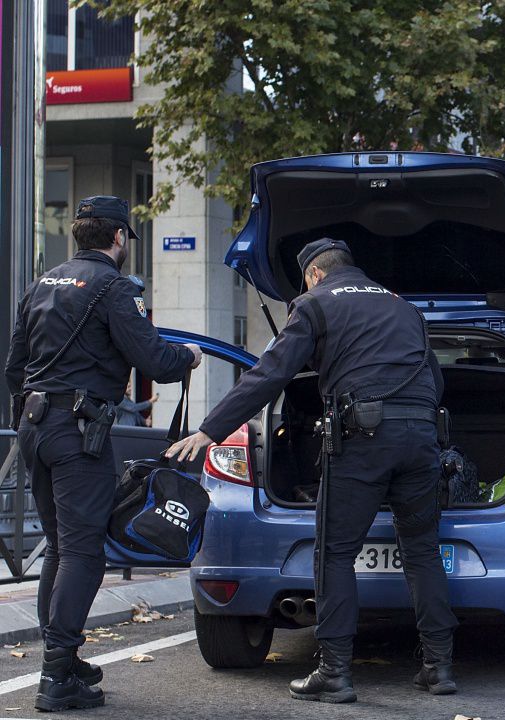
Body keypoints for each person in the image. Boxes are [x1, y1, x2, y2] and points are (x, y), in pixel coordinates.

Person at [166, 239, 458, 703]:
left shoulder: (314, 304)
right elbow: (436, 382)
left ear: (315, 274)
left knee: (335, 554)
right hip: (422, 438)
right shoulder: (403, 307)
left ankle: (335, 673)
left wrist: (209, 431)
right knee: (422, 551)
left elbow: (269, 374)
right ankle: (438, 667)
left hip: (361, 441)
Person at [4, 195, 202, 712]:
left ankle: (64, 662)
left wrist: (25, 418)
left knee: (60, 545)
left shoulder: (43, 283)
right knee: (85, 552)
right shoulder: (115, 289)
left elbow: (14, 366)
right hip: (77, 430)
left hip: (35, 425)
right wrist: (190, 356)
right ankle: (55, 678)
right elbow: (155, 360)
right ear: (118, 238)